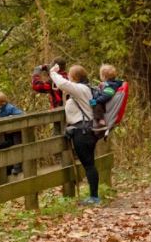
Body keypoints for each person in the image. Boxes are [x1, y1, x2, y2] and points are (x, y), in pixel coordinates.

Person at [49, 64, 100, 205]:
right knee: (90, 163)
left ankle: (94, 197)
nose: (68, 78)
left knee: (89, 164)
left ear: (75, 77)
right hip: (86, 130)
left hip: (83, 132)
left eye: (70, 76)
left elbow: (62, 84)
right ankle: (94, 196)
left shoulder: (80, 89)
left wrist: (53, 72)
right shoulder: (86, 88)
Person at [0, 92, 23, 176]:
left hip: (15, 131)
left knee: (16, 148)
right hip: (8, 133)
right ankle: (13, 169)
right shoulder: (0, 109)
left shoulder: (9, 108)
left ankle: (17, 168)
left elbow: (22, 115)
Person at [89, 64, 125, 130]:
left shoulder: (111, 85)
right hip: (103, 101)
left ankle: (101, 120)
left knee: (97, 105)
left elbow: (106, 96)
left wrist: (96, 101)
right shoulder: (110, 84)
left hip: (105, 104)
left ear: (104, 76)